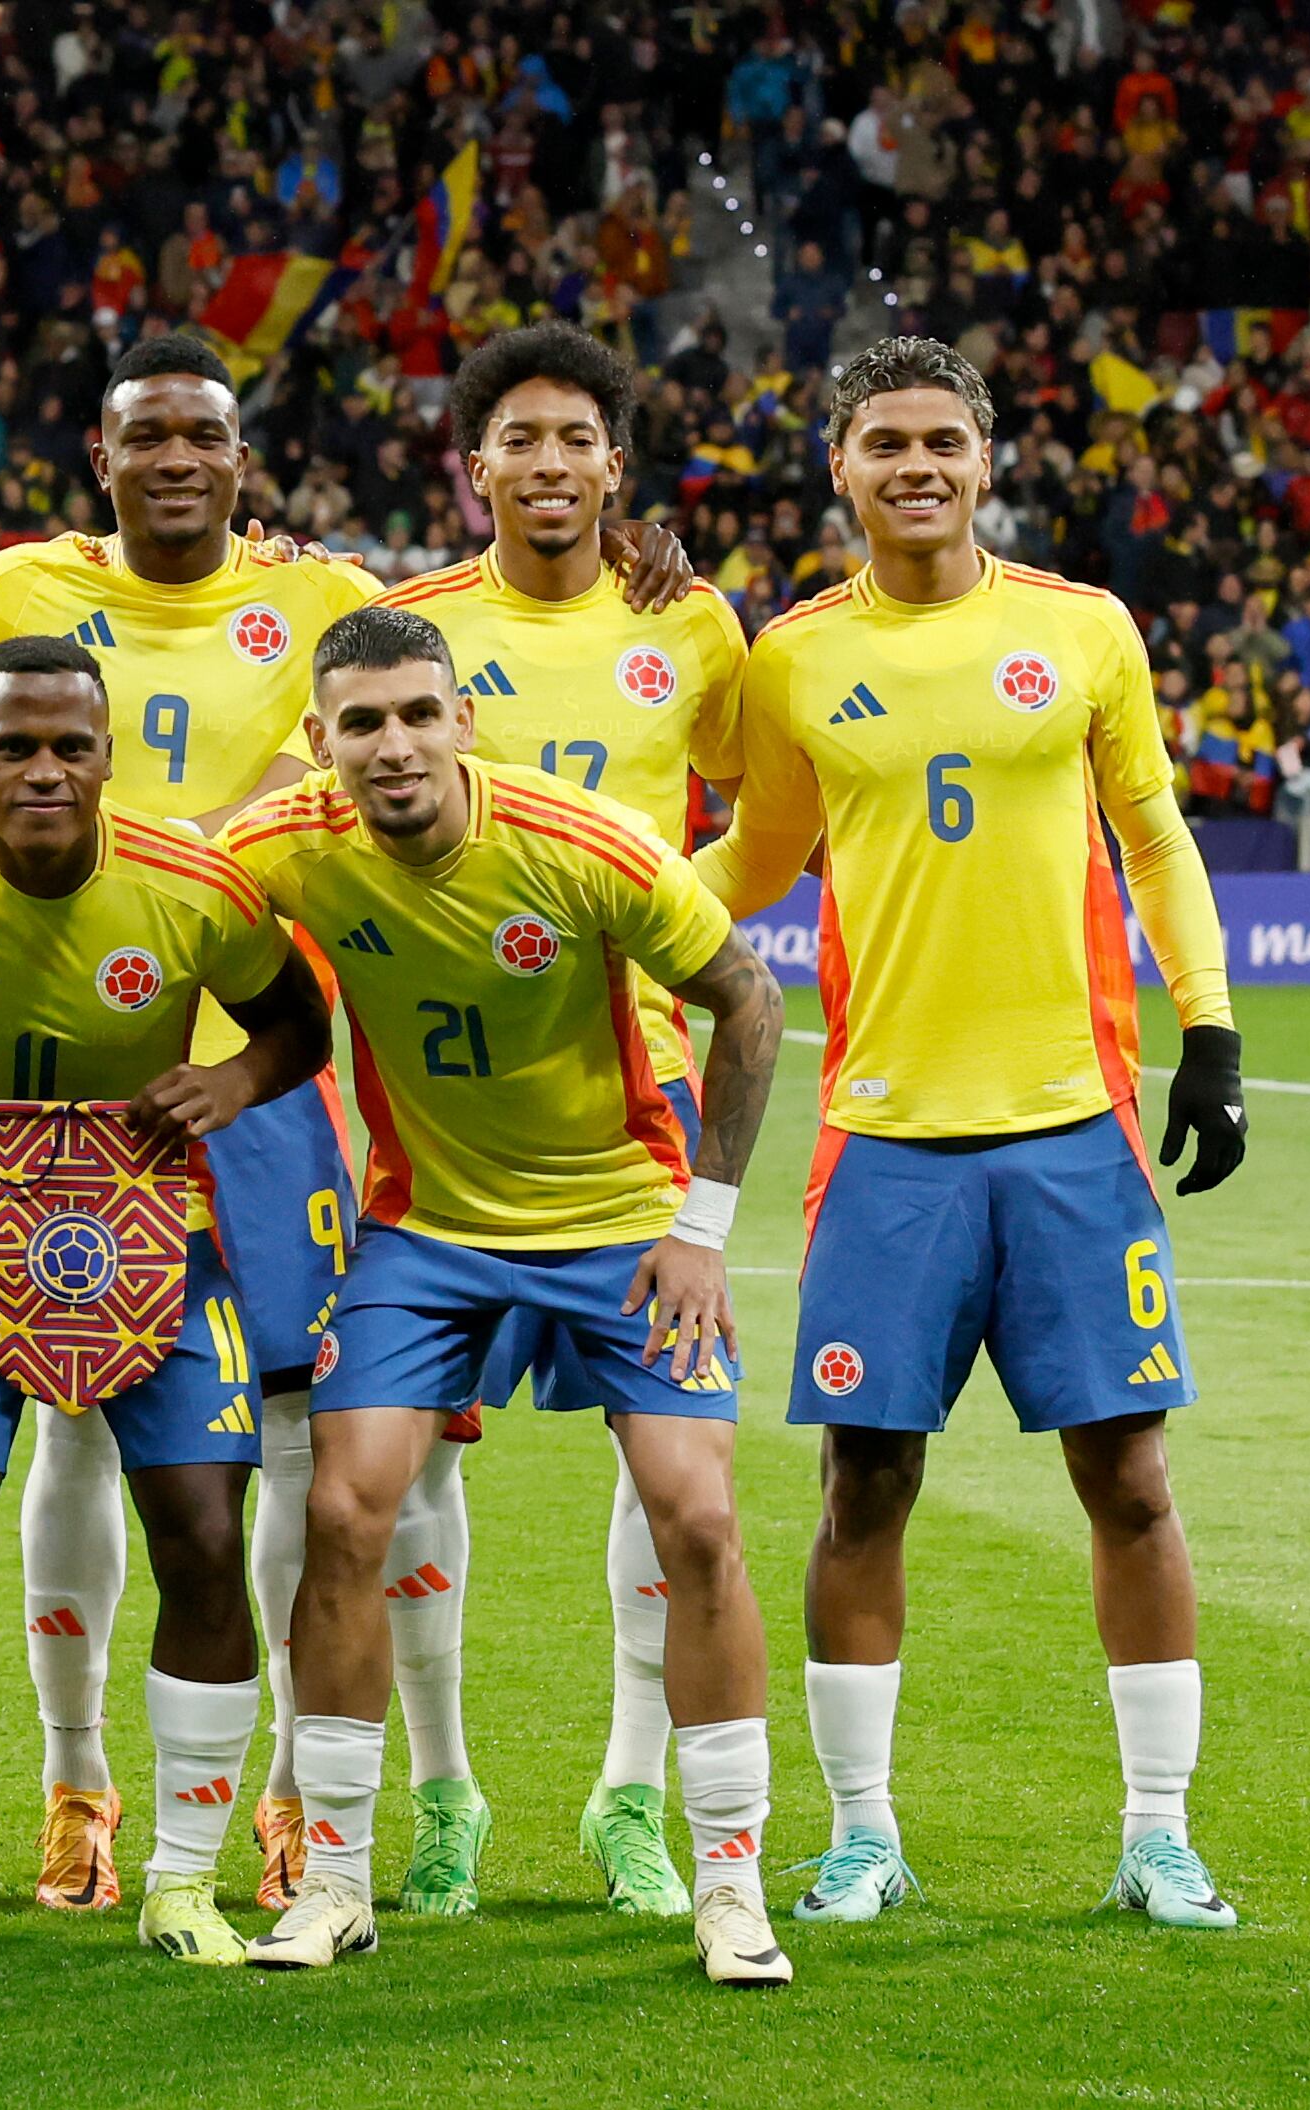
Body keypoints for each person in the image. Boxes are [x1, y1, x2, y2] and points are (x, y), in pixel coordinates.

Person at [0, 330, 701, 1910]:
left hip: (271, 1066)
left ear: (240, 460)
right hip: (85, 1056)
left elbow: (489, 623)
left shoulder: (333, 596)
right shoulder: (2, 593)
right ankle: (75, 1781)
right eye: (143, 434)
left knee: (316, 1437)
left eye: (202, 437)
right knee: (78, 1411)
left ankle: (302, 1788)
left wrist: (611, 541)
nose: (174, 460)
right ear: (102, 453)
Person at [694, 337, 1249, 1931]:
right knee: (863, 1485)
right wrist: (597, 912)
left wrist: (1205, 1025)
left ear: (986, 460)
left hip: (1073, 1129)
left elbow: (1149, 829)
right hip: (882, 1140)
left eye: (942, 439)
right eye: (884, 441)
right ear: (840, 469)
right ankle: (860, 1833)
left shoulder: (1081, 630)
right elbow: (750, 856)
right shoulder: (793, 661)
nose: (915, 465)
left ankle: (1157, 1833)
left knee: (1129, 1480)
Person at [220, 604, 793, 1985]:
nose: (395, 743)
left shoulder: (579, 842)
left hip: (617, 1221)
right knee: (343, 1505)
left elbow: (748, 999)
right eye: (362, 721)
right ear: (321, 742)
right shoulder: (285, 841)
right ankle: (336, 1882)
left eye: (419, 712)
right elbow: (134, 872)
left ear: (462, 718)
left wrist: (701, 1225)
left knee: (698, 1515)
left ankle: (729, 1882)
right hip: (424, 1229)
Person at [0, 635, 331, 1968]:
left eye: (70, 746)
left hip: (154, 1232)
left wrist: (230, 1084)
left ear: (110, 758)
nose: (44, 770)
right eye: (12, 746)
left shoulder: (193, 884)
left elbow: (297, 1023)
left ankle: (181, 1880)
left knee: (202, 1537)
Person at [367, 322, 750, 1918]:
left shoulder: (696, 628)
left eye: (571, 437)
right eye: (514, 437)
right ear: (476, 467)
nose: (544, 462)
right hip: (436, 1102)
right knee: (406, 1463)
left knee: (655, 1461)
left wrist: (676, 933)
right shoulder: (399, 629)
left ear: (614, 464)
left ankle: (628, 1794)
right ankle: (442, 1789)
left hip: (636, 1099)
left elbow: (764, 817)